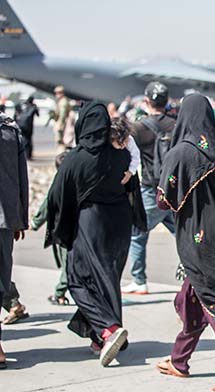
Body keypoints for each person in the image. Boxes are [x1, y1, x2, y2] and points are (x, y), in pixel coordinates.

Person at [155, 94, 215, 392]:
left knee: (212, 302)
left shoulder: (181, 153)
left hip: (198, 243)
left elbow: (163, 201)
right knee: (191, 300)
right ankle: (179, 360)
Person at [46, 102, 145, 367]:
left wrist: (58, 224)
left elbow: (57, 194)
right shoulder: (121, 153)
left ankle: (108, 330)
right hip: (121, 224)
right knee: (106, 279)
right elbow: (133, 183)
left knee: (78, 280)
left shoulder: (79, 157)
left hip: (92, 224)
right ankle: (98, 338)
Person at [122, 82, 176, 295]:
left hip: (150, 188)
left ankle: (139, 279)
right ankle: (191, 276)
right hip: (174, 189)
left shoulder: (138, 128)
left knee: (138, 233)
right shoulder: (176, 125)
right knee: (182, 234)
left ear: (146, 101)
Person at [0, 110, 29, 369]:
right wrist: (21, 216)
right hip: (6, 218)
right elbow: (22, 178)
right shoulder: (11, 132)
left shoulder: (11, 132)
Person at [30, 151, 70, 306]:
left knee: (67, 263)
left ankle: (60, 292)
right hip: (76, 229)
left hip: (63, 230)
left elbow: (48, 204)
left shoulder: (59, 184)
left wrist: (35, 223)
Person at [109, 116, 141, 186]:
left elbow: (136, 156)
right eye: (120, 143)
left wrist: (130, 172)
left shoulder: (130, 140)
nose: (124, 145)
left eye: (125, 141)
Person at [52, 86, 71, 151]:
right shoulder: (61, 101)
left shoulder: (63, 102)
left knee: (60, 142)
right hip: (60, 123)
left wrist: (60, 125)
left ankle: (61, 155)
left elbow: (63, 115)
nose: (56, 95)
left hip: (61, 124)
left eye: (58, 93)